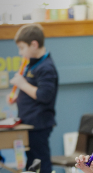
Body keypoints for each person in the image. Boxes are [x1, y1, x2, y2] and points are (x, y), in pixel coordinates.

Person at [8, 24, 58, 173]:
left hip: (39, 124)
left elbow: (44, 95)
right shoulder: (33, 64)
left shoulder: (46, 67)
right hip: (29, 123)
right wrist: (18, 97)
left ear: (34, 45)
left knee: (40, 163)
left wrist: (22, 84)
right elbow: (32, 92)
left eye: (22, 48)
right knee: (31, 164)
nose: (20, 52)